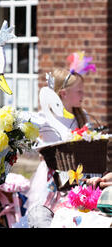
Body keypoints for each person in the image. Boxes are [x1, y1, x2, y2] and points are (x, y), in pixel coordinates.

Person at [26, 67, 90, 212]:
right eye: (79, 91)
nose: (83, 95)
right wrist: (41, 149)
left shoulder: (83, 116)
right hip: (51, 176)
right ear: (63, 94)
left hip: (77, 173)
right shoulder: (45, 117)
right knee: (47, 213)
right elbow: (31, 141)